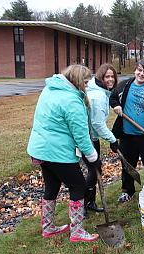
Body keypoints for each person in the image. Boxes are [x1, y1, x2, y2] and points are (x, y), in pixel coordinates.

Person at [27, 65, 100, 243]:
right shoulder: (72, 101)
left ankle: (48, 227)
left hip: (40, 149)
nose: (87, 85)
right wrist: (93, 158)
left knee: (52, 185)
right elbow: (81, 135)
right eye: (85, 82)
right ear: (76, 80)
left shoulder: (50, 89)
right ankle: (77, 231)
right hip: (57, 152)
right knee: (79, 186)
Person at [110, 59, 144, 203]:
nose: (141, 73)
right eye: (139, 70)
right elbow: (113, 97)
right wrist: (116, 106)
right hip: (127, 136)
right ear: (135, 70)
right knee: (127, 166)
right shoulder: (124, 85)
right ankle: (127, 191)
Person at [82, 63, 119, 216]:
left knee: (95, 169)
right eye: (107, 77)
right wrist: (113, 140)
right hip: (87, 138)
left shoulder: (100, 91)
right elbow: (98, 124)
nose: (110, 79)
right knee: (93, 170)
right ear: (100, 77)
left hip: (91, 137)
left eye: (112, 76)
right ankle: (84, 205)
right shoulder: (97, 96)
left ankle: (89, 202)